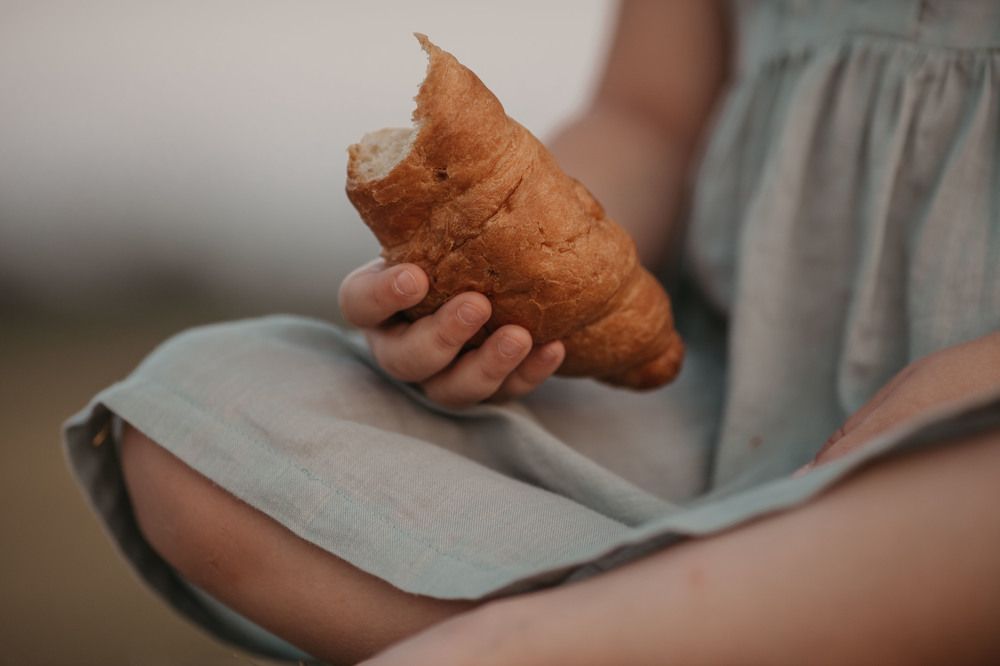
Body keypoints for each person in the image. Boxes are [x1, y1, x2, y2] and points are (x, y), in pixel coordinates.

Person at [65, 1, 1000, 663]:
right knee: (188, 421)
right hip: (721, 408)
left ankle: (522, 646)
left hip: (968, 452)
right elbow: (647, 118)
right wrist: (500, 261)